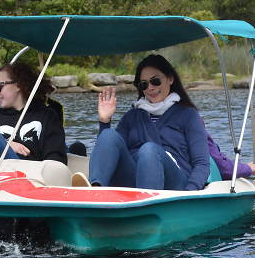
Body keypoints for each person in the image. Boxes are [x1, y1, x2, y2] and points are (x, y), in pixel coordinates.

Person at [82, 54, 210, 190]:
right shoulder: (132, 117)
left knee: (149, 150)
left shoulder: (188, 115)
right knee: (108, 135)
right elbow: (110, 152)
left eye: (155, 81)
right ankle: (96, 189)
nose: (150, 88)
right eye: (144, 84)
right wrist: (104, 121)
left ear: (170, 79)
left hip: (175, 184)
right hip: (135, 179)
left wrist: (190, 192)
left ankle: (147, 204)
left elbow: (202, 163)